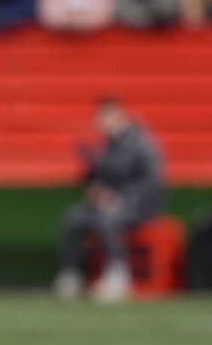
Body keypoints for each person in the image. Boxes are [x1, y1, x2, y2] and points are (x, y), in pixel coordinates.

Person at [53, 97, 166, 302]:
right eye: (101, 119)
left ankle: (118, 276)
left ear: (120, 116)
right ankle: (72, 274)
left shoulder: (141, 144)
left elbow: (151, 183)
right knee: (73, 218)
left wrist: (119, 199)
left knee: (109, 218)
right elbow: (100, 182)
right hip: (109, 204)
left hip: (139, 204)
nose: (104, 123)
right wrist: (92, 183)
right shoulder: (106, 147)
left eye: (108, 117)